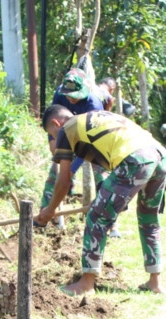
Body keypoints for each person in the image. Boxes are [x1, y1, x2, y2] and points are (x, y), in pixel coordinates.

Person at [34, 105, 166, 296]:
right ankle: (155, 282)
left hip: (135, 158)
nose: (56, 139)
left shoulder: (66, 129)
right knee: (149, 220)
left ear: (56, 123)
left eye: (52, 134)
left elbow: (63, 180)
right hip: (159, 154)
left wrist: (49, 210)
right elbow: (104, 169)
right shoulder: (93, 120)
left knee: (96, 218)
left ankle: (86, 284)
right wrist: (105, 199)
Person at [40, 69, 121, 237]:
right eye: (68, 95)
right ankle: (44, 215)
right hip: (70, 130)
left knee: (102, 175)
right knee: (55, 172)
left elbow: (87, 146)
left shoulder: (94, 103)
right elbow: (52, 116)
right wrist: (52, 141)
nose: (70, 99)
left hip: (95, 138)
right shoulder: (60, 94)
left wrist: (70, 169)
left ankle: (110, 223)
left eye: (75, 96)